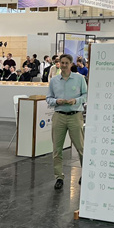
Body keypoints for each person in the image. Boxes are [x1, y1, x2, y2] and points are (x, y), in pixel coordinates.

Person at [46, 54, 87, 190]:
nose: (63, 65)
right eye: (61, 63)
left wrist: (76, 101)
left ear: (71, 64)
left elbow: (85, 95)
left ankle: (85, 174)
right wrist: (56, 101)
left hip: (75, 116)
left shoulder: (79, 79)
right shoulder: (54, 81)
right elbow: (48, 98)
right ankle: (59, 177)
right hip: (59, 116)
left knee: (81, 148)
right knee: (57, 149)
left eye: (66, 63)